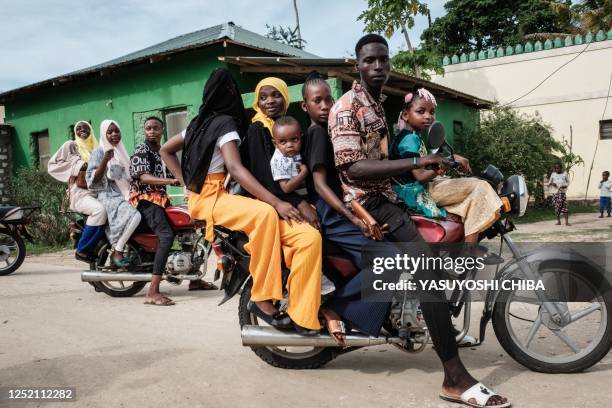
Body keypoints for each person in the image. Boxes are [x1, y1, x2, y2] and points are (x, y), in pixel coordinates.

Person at [328, 34, 509, 407]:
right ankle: (454, 378)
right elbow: (355, 167)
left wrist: (425, 166)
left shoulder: (377, 105)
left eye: (383, 60)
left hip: (389, 195)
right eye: (370, 61)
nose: (378, 67)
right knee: (426, 272)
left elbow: (385, 160)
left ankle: (437, 324)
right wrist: (415, 164)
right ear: (357, 65)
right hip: (369, 202)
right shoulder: (347, 108)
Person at [160, 69, 318, 334]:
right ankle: (262, 296)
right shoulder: (227, 125)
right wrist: (277, 203)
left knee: (308, 239)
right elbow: (234, 168)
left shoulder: (199, 123)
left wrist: (187, 183)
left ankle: (304, 312)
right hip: (213, 197)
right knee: (265, 214)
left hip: (205, 196)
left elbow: (166, 149)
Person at [301, 71, 390, 345]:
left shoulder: (329, 131)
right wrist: (351, 217)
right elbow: (319, 184)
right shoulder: (317, 133)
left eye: (329, 99)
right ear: (306, 106)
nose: (326, 105)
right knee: (391, 260)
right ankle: (335, 307)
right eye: (318, 101)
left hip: (341, 209)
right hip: (332, 214)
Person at [241, 76, 324, 335]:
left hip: (286, 201)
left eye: (275, 95)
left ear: (286, 98)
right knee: (309, 240)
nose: (270, 101)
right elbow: (265, 177)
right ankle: (300, 313)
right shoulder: (258, 130)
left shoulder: (287, 129)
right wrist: (299, 203)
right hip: (273, 205)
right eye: (263, 97)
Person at [391, 86, 503, 263]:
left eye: (431, 112)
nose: (428, 116)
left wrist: (446, 160)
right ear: (405, 115)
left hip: (419, 187)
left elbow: (428, 163)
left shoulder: (413, 136)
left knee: (472, 195)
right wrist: (439, 166)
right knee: (481, 186)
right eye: (421, 111)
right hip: (415, 191)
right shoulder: (409, 138)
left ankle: (466, 247)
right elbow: (420, 175)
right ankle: (469, 249)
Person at [129, 117, 217, 306]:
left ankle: (194, 279)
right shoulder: (141, 151)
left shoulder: (163, 152)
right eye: (148, 128)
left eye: (155, 128)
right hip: (145, 200)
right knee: (166, 236)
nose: (151, 131)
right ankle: (152, 292)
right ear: (145, 131)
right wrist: (171, 182)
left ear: (162, 131)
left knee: (193, 230)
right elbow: (143, 177)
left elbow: (179, 173)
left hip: (161, 200)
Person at [47, 121, 106, 262]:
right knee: (99, 211)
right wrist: (78, 166)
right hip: (80, 192)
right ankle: (82, 249)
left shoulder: (98, 148)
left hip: (99, 191)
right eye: (78, 128)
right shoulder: (71, 145)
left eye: (85, 127)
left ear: (91, 130)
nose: (82, 130)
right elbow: (52, 166)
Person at [86, 120, 141, 267]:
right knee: (135, 216)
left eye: (117, 131)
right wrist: (105, 160)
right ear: (104, 134)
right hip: (107, 194)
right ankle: (117, 250)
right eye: (109, 132)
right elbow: (91, 180)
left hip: (124, 191)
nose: (114, 134)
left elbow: (126, 176)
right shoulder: (99, 151)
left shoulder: (121, 150)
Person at [270, 116, 308, 196]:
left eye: (294, 139)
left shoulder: (298, 151)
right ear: (275, 143)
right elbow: (286, 188)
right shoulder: (278, 160)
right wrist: (304, 173)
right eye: (283, 142)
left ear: (301, 137)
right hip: (297, 202)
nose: (290, 145)